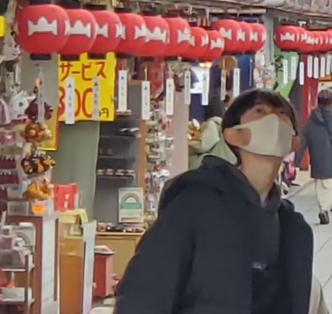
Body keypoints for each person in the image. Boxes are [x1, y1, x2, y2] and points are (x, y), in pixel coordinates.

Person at [117, 89, 313, 314]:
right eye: (261, 112)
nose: (275, 122)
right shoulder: (192, 204)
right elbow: (145, 291)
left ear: (294, 142)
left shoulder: (295, 229)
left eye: (282, 115)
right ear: (233, 135)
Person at [297, 88, 332, 225]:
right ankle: (325, 208)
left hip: (316, 154)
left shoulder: (312, 118)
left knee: (320, 183)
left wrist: (297, 158)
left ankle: (323, 206)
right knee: (330, 184)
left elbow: (303, 138)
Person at [188, 97, 235, 170]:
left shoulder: (214, 123)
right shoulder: (223, 128)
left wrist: (187, 145)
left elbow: (203, 145)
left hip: (199, 166)